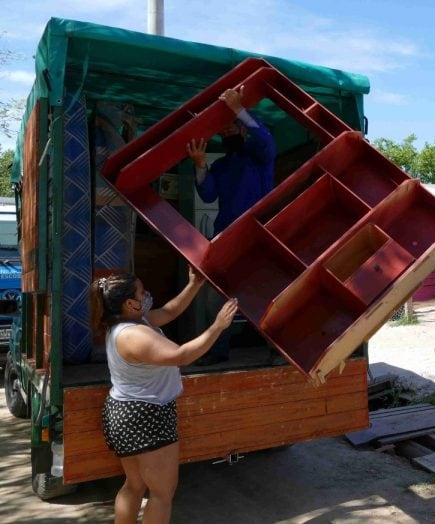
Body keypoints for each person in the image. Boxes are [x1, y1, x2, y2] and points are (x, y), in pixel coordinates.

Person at [90, 268, 238, 524]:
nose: (146, 295)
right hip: (145, 414)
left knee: (134, 484)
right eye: (141, 292)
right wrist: (217, 327)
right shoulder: (133, 334)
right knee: (161, 493)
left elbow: (170, 311)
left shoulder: (131, 321)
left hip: (126, 411)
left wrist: (194, 284)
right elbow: (181, 355)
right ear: (129, 303)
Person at [186, 86, 276, 365]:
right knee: (216, 295)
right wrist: (200, 165)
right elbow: (208, 194)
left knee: (265, 294)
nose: (225, 133)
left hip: (257, 236)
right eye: (221, 130)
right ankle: (217, 351)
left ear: (243, 130)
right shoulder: (221, 166)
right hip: (225, 236)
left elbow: (266, 140)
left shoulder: (259, 158)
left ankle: (277, 350)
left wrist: (238, 108)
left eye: (231, 128)